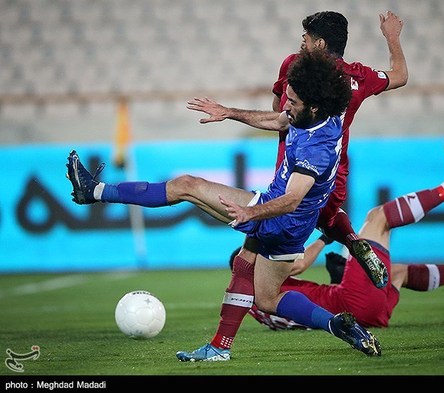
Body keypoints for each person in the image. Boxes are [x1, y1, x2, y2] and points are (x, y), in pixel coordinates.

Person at [66, 49, 382, 361]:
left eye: (293, 102)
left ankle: (92, 191)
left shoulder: (316, 149)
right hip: (291, 228)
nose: (286, 105)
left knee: (187, 186)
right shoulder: (313, 114)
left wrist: (251, 212)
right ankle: (332, 324)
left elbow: (292, 199)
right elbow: (278, 119)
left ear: (312, 106)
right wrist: (230, 112)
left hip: (280, 216)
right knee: (267, 296)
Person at [189, 10, 408, 289]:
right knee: (324, 215)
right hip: (333, 166)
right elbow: (400, 75)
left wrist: (238, 112)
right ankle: (353, 241)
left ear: (319, 44)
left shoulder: (293, 65)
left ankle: (241, 318)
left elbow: (277, 112)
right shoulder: (358, 77)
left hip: (293, 160)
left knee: (258, 244)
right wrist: (392, 37)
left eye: (306, 38)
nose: (302, 42)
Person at [237, 143, 444, 331]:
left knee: (397, 273)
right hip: (351, 303)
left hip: (363, 313)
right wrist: (327, 238)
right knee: (378, 218)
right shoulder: (264, 277)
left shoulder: (256, 307)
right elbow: (301, 263)